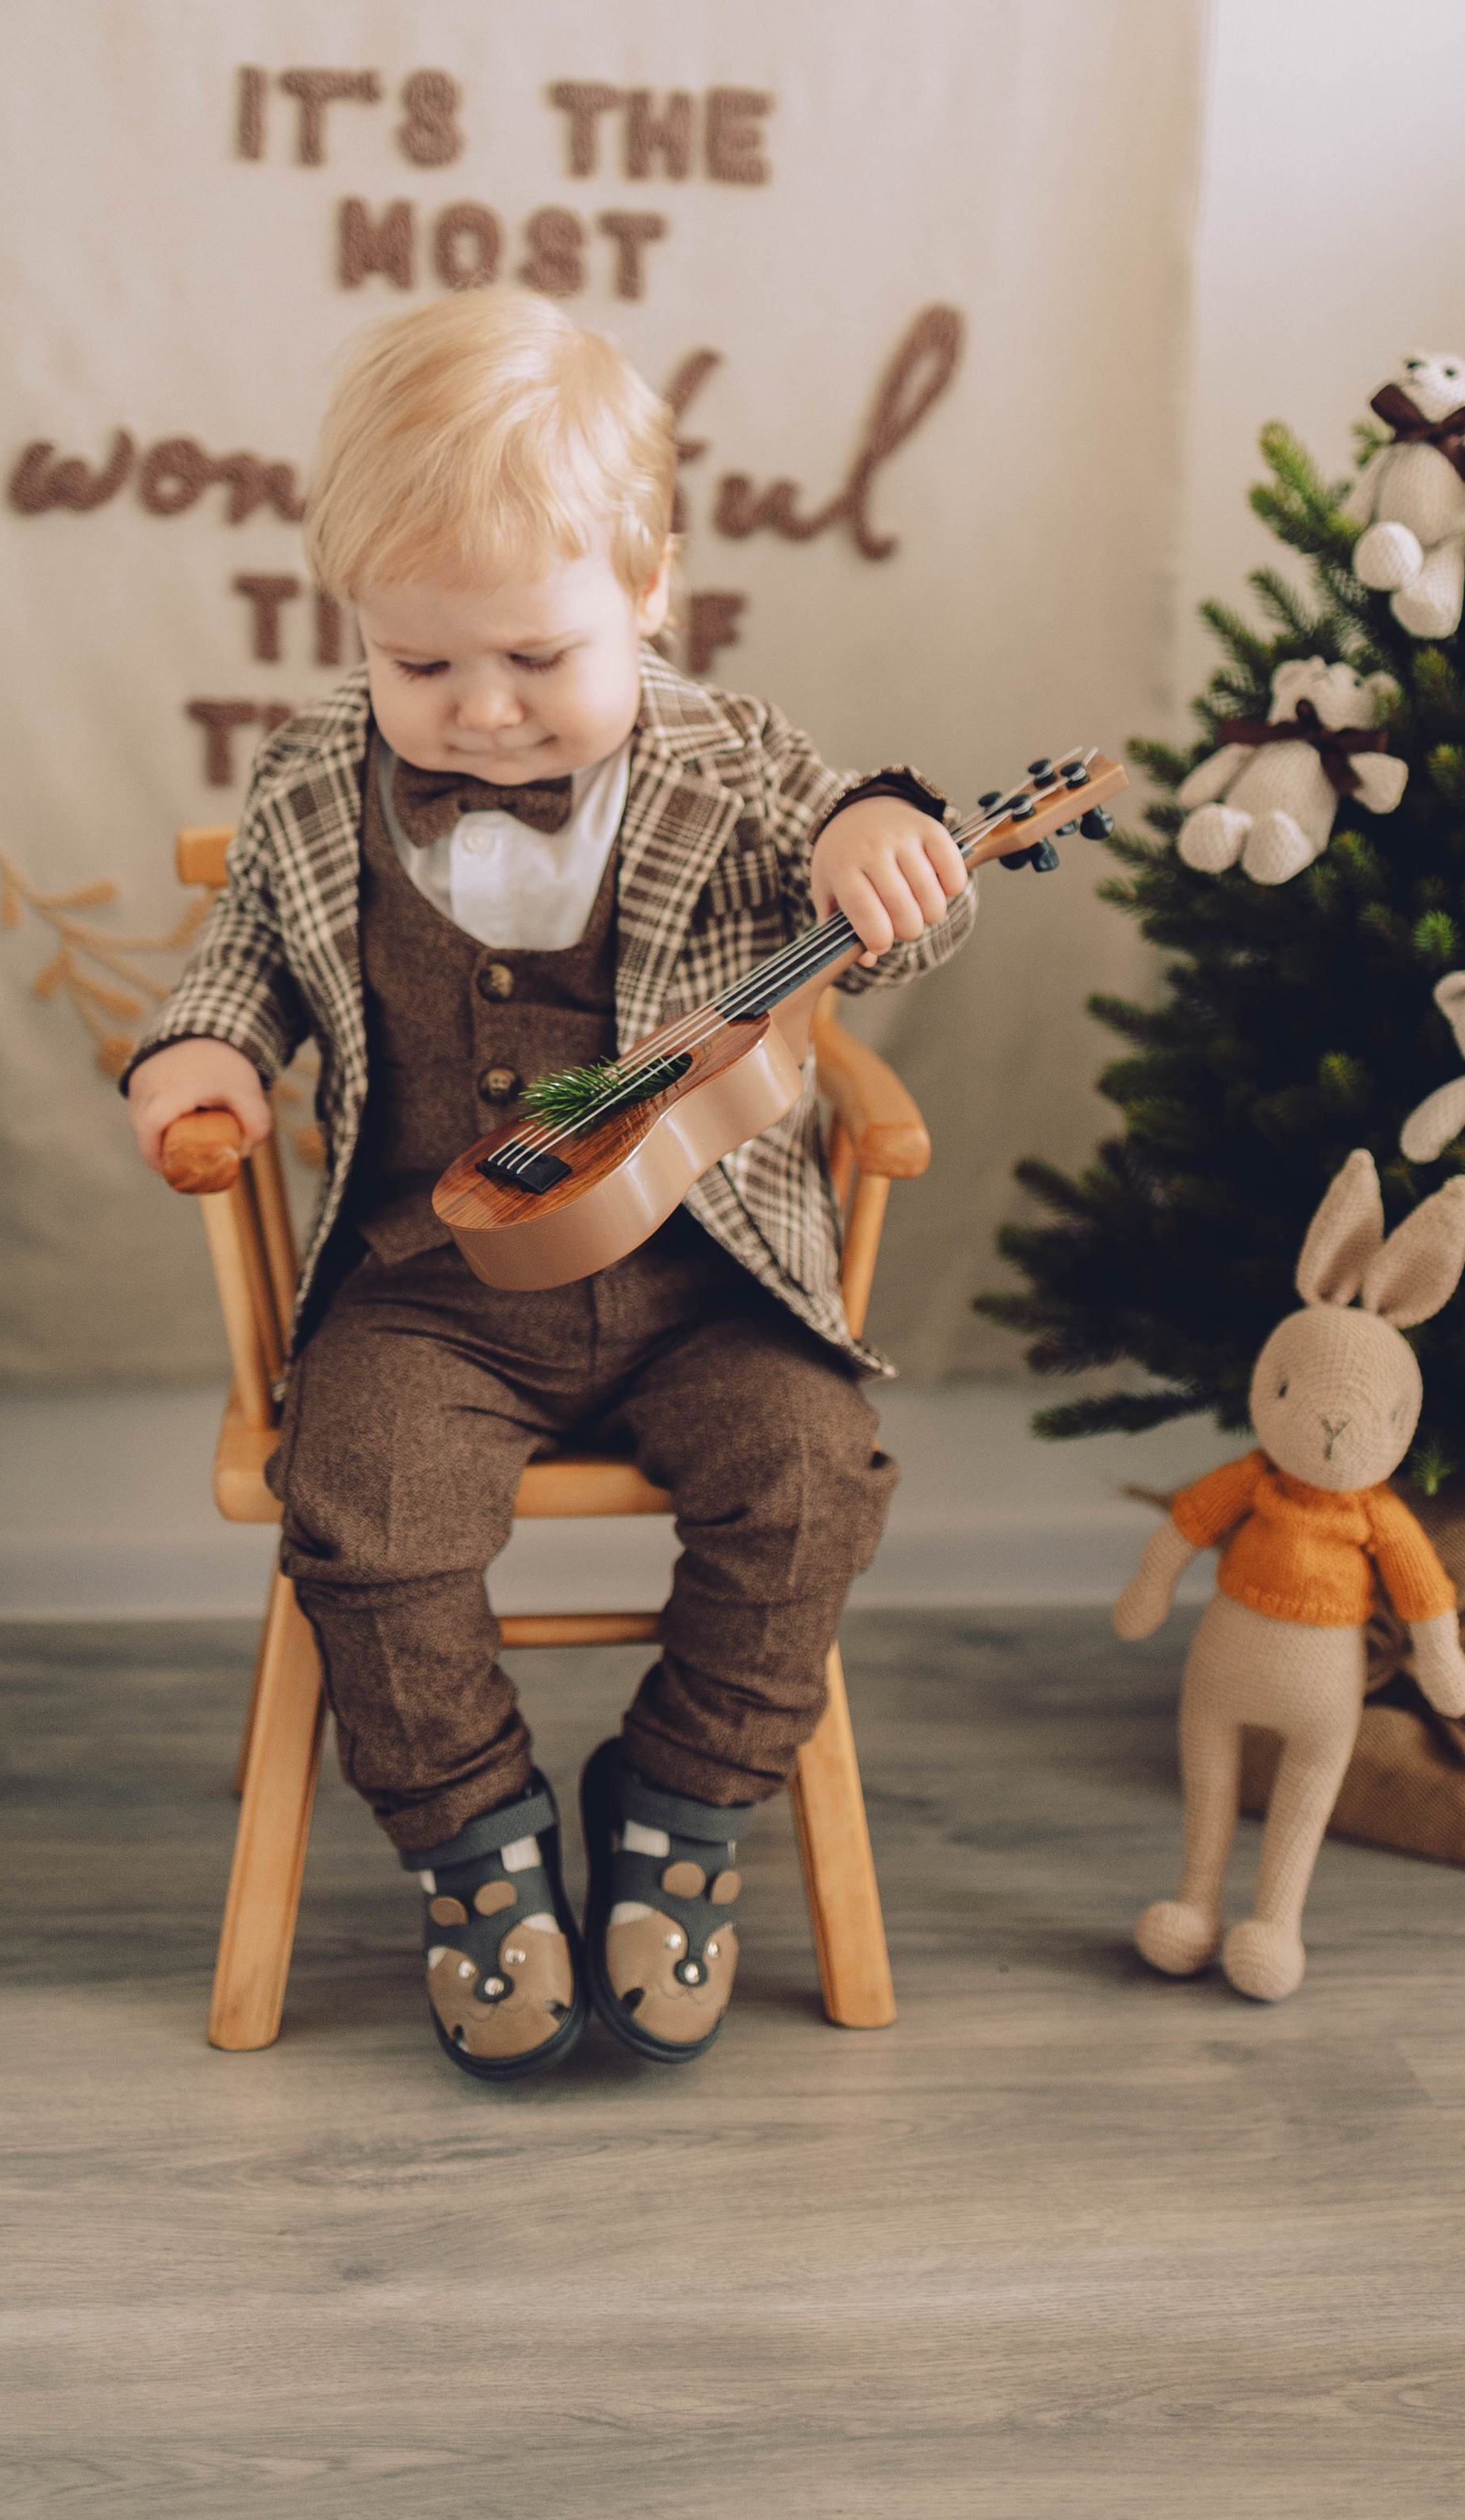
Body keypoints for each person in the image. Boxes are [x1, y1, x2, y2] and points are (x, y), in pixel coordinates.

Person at [125, 290, 975, 2079]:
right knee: (354, 1502)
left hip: (705, 1279)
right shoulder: (310, 780)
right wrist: (193, 1054)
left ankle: (680, 1800)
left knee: (812, 1477)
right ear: (353, 623)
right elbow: (244, 966)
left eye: (534, 656)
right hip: (429, 1285)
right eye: (421, 667)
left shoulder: (731, 765)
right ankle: (474, 1843)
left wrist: (874, 835)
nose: (483, 713)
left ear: (647, 584)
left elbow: (861, 908)